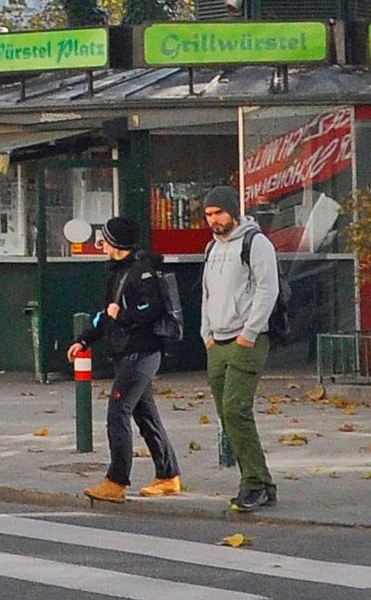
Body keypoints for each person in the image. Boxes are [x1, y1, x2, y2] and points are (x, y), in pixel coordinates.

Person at [84, 215, 183, 502]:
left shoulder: (141, 271)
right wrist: (84, 339)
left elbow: (152, 309)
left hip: (142, 351)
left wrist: (122, 315)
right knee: (145, 415)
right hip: (126, 350)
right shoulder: (116, 271)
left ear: (114, 243)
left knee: (118, 411)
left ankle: (116, 481)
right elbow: (107, 315)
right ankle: (168, 475)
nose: (100, 244)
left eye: (103, 239)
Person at [197, 202, 282, 515]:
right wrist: (206, 333)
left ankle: (253, 485)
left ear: (233, 212)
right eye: (208, 214)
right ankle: (263, 483)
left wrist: (251, 331)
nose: (213, 220)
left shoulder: (255, 242)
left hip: (247, 340)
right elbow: (206, 294)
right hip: (217, 340)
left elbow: (267, 288)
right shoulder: (211, 248)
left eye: (219, 213)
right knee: (227, 414)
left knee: (236, 409)